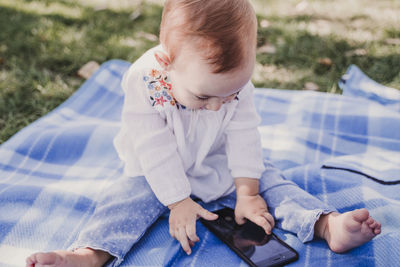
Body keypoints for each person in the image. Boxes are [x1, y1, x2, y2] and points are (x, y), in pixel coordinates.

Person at [26, 0, 381, 266]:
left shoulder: (235, 85)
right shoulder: (145, 80)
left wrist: (247, 191)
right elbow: (153, 146)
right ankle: (90, 253)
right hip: (156, 171)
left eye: (230, 94)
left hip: (218, 159)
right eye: (204, 95)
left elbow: (244, 133)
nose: (218, 106)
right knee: (125, 201)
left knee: (272, 182)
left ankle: (324, 224)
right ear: (168, 64)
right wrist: (178, 200)